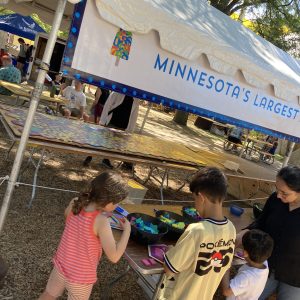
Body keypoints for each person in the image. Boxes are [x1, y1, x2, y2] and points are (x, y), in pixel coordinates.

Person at [39, 171, 131, 300]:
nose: (117, 206)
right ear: (109, 202)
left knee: (48, 295)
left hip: (61, 265)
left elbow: (68, 219)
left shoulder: (75, 202)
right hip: (81, 277)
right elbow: (114, 257)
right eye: (117, 203)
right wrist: (127, 230)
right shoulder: (101, 221)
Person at [159, 167, 236, 300]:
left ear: (201, 197)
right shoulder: (231, 229)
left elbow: (169, 269)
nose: (195, 205)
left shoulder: (196, 230)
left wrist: (170, 251)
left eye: (194, 199)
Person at [237, 166, 300, 300]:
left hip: (295, 276)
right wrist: (247, 231)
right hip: (266, 266)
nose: (278, 195)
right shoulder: (275, 200)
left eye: (284, 193)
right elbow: (261, 221)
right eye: (277, 189)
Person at [83, 92, 139, 169]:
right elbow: (107, 105)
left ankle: (106, 159)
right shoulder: (117, 91)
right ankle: (89, 156)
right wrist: (102, 122)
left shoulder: (136, 98)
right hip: (111, 122)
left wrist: (130, 130)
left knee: (113, 145)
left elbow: (134, 116)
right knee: (100, 140)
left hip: (123, 126)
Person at [221, 229, 274, 300]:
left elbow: (226, 292)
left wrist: (226, 266)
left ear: (245, 253)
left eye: (242, 247)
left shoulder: (247, 277)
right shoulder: (264, 262)